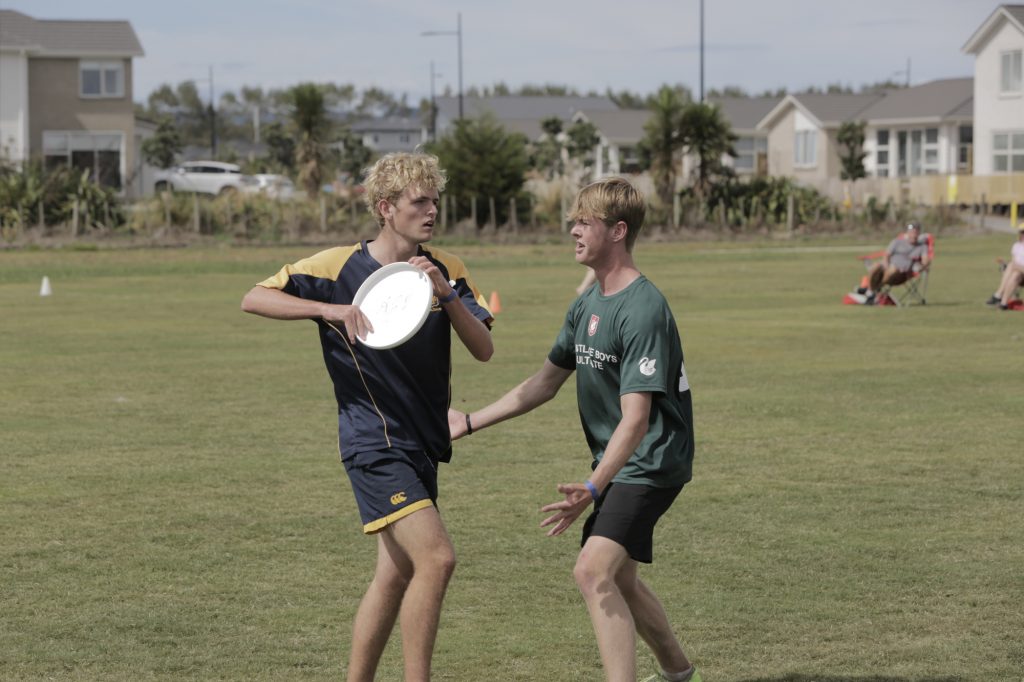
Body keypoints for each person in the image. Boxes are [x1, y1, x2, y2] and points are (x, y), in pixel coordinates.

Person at [241, 152, 493, 682]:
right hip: (373, 442)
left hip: (423, 445)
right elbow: (254, 297)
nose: (432, 210)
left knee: (396, 573)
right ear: (386, 207)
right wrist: (328, 309)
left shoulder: (447, 268)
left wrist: (446, 296)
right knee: (437, 558)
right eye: (418, 201)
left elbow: (484, 347)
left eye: (434, 200)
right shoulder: (338, 267)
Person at [449, 177, 701, 682]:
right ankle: (679, 674)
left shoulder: (644, 308)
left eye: (584, 221)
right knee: (621, 578)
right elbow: (544, 383)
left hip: (651, 458)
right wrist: (470, 421)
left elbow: (637, 419)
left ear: (618, 231)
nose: (573, 230)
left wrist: (592, 487)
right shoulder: (587, 304)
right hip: (622, 459)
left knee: (592, 571)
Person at [861, 221, 931, 304]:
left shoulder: (922, 247)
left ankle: (872, 290)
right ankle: (870, 290)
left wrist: (923, 266)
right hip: (887, 266)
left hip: (901, 273)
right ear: (907, 233)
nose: (913, 235)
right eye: (911, 232)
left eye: (916, 232)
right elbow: (887, 255)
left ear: (919, 233)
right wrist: (886, 263)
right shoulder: (897, 242)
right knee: (876, 266)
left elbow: (925, 260)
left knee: (893, 269)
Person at [986, 224, 1024, 310]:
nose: (1022, 234)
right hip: (1019, 274)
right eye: (1021, 232)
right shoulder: (1016, 246)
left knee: (1011, 266)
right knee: (1014, 274)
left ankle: (998, 294)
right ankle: (1003, 303)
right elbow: (1015, 261)